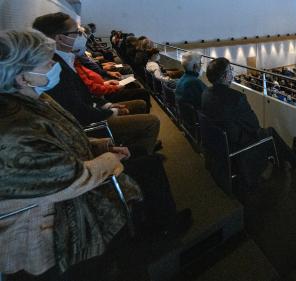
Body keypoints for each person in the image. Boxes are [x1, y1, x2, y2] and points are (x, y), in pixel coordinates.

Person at [0, 29, 190, 281]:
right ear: (23, 76)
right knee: (149, 164)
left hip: (73, 177)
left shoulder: (33, 100)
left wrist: (100, 146)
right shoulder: (14, 129)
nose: (53, 65)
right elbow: (70, 179)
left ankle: (154, 226)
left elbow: (62, 138)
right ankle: (159, 232)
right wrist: (108, 160)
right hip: (57, 217)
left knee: (145, 157)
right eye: (46, 63)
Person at [33, 12, 160, 155]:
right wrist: (111, 111)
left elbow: (84, 94)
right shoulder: (54, 67)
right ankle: (134, 158)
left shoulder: (65, 59)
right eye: (76, 32)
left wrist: (107, 105)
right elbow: (79, 110)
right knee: (152, 121)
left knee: (140, 104)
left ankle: (136, 147)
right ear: (60, 38)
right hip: (91, 123)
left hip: (95, 107)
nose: (81, 36)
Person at [201, 57, 296, 191]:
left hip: (219, 145)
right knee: (269, 132)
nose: (233, 73)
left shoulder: (205, 93)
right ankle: (292, 159)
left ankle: (283, 158)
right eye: (231, 70)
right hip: (236, 146)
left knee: (264, 133)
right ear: (225, 76)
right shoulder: (237, 98)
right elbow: (254, 125)